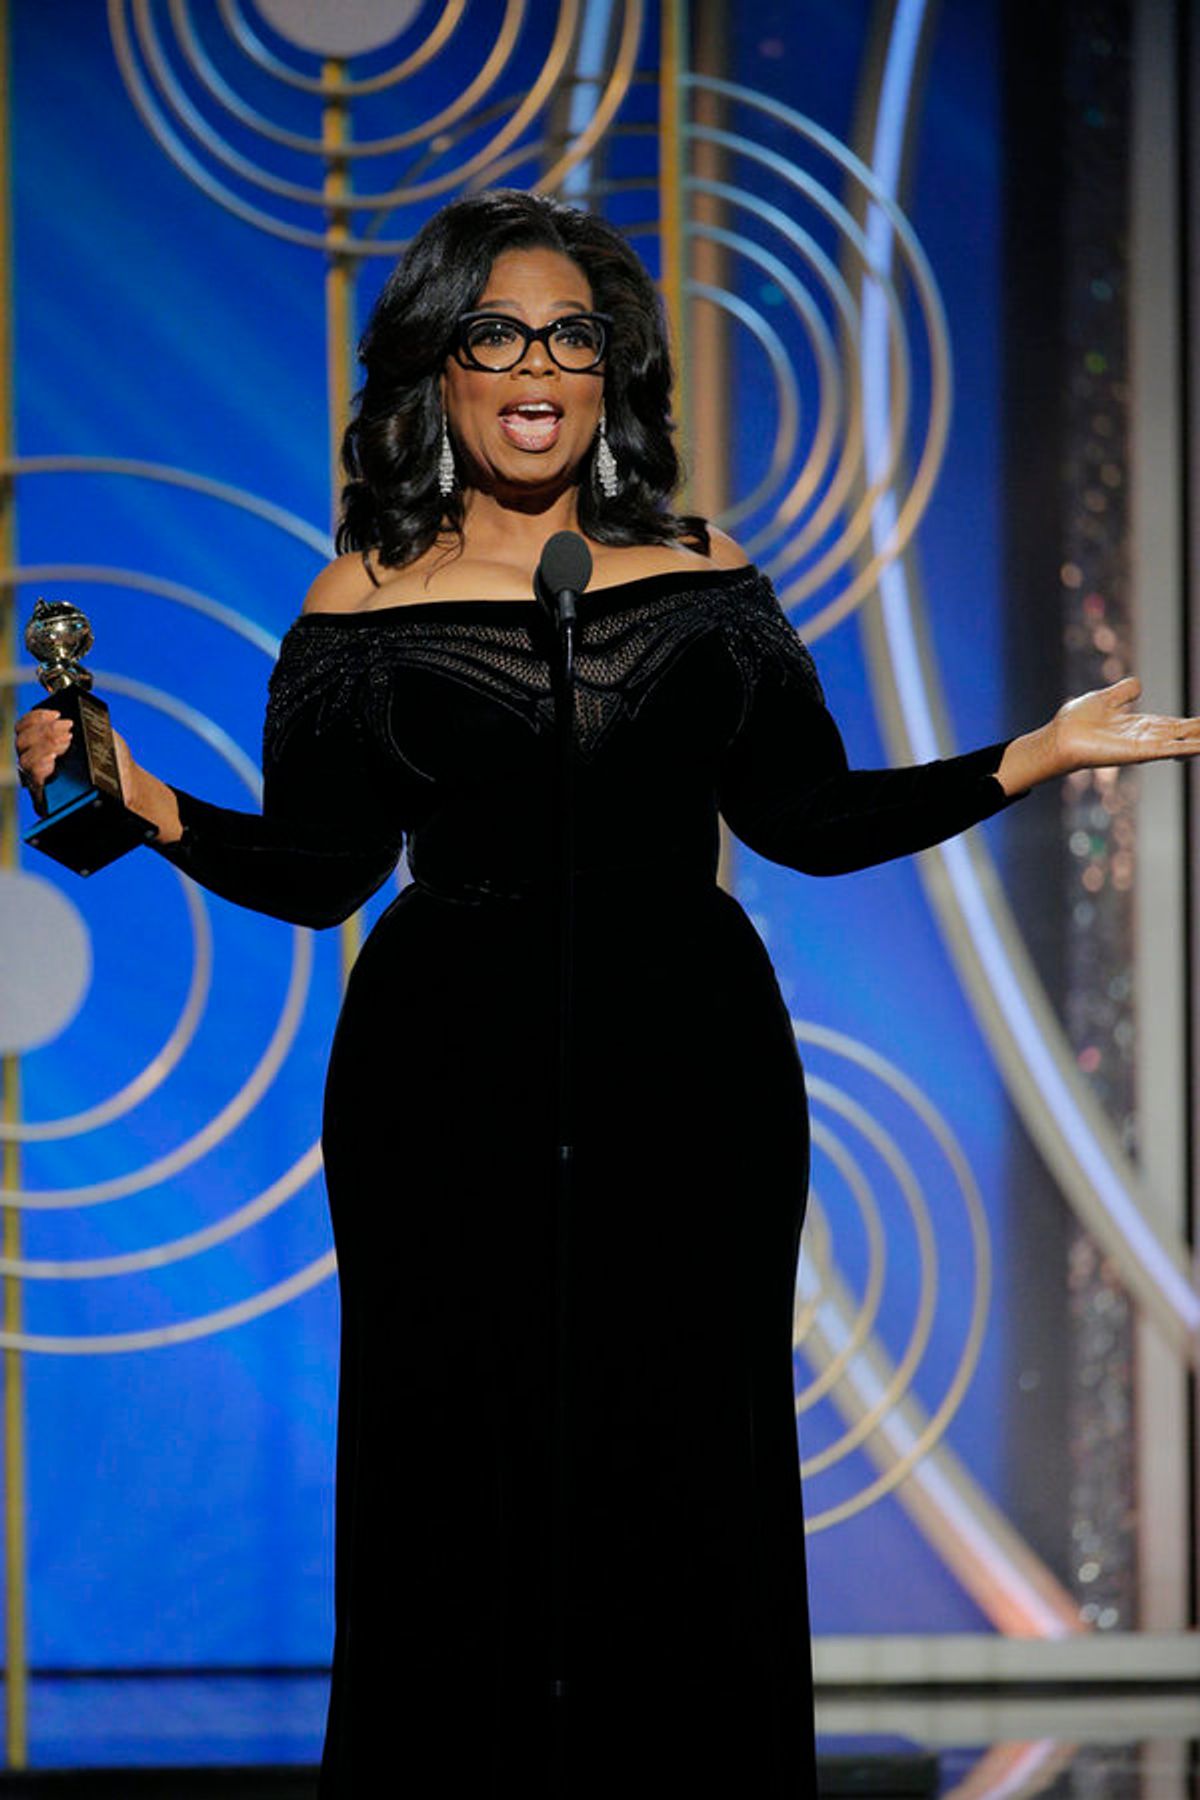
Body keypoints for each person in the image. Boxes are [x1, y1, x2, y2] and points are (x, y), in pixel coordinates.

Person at [15, 189, 1200, 1798]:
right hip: (443, 1075)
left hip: (687, 1066)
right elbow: (318, 872)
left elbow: (810, 819)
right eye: (496, 331)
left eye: (572, 335)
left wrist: (1029, 756)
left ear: (609, 371)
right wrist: (139, 804)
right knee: (456, 1458)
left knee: (684, 1453)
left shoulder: (705, 574)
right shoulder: (358, 596)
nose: (537, 365)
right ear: (436, 366)